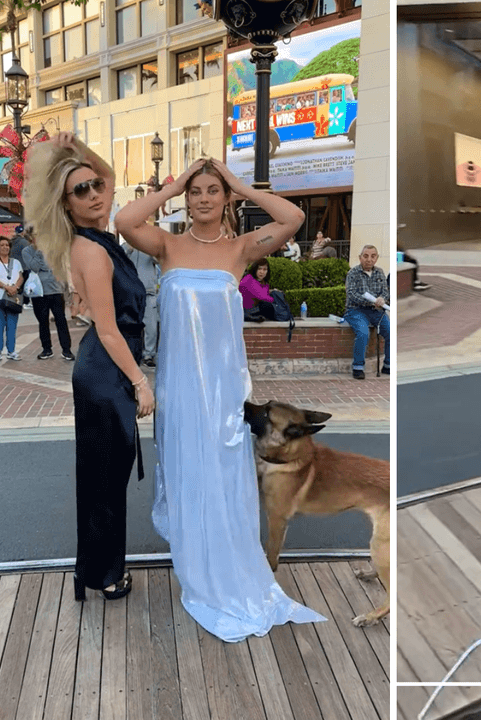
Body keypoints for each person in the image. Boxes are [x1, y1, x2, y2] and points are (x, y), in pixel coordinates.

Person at [115, 158, 325, 642]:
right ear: (185, 199)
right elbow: (125, 221)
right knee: (192, 472)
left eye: (213, 191)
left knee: (227, 478)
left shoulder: (240, 249)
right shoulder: (166, 244)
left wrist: (238, 184)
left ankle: (231, 565)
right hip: (181, 390)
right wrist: (173, 185)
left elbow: (292, 219)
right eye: (196, 192)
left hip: (228, 390)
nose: (204, 198)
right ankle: (198, 569)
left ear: (225, 197)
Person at [26, 131, 154, 602]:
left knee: (105, 479)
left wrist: (77, 147)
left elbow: (110, 173)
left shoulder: (101, 236)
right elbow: (108, 329)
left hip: (105, 372)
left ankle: (97, 572)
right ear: (67, 205)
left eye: (94, 184)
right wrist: (141, 382)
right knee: (104, 483)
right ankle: (104, 575)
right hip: (106, 373)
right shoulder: (91, 249)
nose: (96, 193)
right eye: (80, 191)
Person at [21, 237, 75, 361]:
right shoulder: (27, 251)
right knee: (43, 321)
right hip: (38, 292)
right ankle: (47, 349)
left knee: (61, 320)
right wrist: (40, 252)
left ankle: (66, 350)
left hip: (56, 289)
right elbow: (34, 267)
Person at [343, 245, 391, 380]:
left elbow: (385, 291)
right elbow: (352, 294)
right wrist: (372, 302)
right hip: (356, 310)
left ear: (376, 258)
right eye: (365, 256)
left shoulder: (380, 272)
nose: (369, 259)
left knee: (390, 332)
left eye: (373, 256)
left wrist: (382, 299)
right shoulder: (352, 273)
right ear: (360, 257)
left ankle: (388, 365)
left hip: (376, 311)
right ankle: (358, 367)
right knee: (363, 332)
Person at [0, 235, 23, 362]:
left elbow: (21, 277)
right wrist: (6, 287)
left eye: (7, 245)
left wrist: (15, 287)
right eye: (2, 245)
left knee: (12, 325)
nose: (5, 247)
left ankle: (11, 351)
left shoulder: (16, 262)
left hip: (12, 298)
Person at [123, 243, 161, 367]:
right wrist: (129, 247)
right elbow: (120, 260)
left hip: (149, 292)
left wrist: (148, 248)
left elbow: (158, 259)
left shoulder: (149, 248)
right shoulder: (125, 247)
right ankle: (132, 353)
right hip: (131, 292)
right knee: (131, 326)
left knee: (151, 328)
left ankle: (149, 354)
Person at [239, 257, 275, 321]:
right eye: (259, 269)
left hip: (256, 309)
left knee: (269, 307)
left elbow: (263, 295)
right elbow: (262, 297)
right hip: (246, 311)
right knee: (268, 306)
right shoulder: (248, 279)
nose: (262, 272)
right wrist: (274, 298)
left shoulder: (264, 283)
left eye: (265, 269)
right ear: (255, 269)